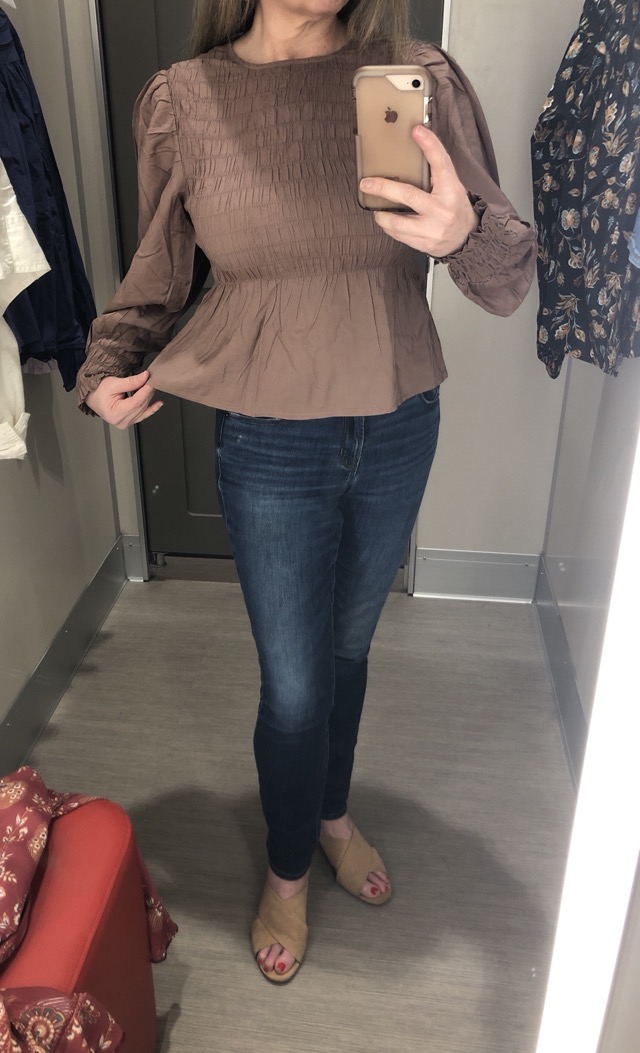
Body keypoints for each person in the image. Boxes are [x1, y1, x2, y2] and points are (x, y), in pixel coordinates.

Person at [76, 0, 536, 983]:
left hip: (397, 420)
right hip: (270, 441)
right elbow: (158, 275)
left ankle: (330, 813)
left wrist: (464, 232)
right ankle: (288, 867)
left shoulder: (412, 76)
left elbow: (504, 284)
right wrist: (105, 365)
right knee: (294, 685)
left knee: (347, 650)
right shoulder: (186, 102)